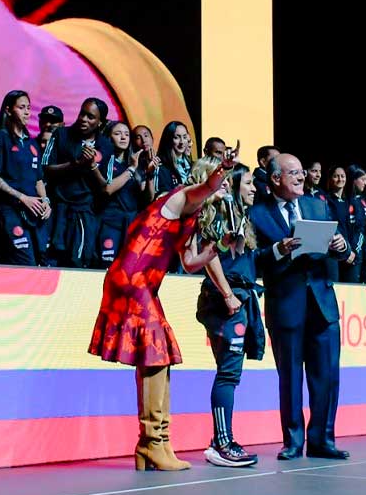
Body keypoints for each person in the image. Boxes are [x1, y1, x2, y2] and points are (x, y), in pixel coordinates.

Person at [88, 143, 240, 471]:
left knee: (159, 356)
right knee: (156, 352)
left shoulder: (190, 216)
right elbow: (209, 186)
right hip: (132, 280)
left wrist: (219, 246)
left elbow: (189, 262)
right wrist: (223, 170)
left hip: (143, 285)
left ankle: (153, 445)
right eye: (221, 180)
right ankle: (153, 442)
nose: (225, 186)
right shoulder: (180, 197)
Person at [248, 153, 349, 461]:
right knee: (290, 376)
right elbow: (252, 260)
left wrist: (342, 248)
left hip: (321, 302)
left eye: (302, 172)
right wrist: (278, 250)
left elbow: (342, 250)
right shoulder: (257, 215)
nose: (301, 177)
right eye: (293, 173)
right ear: (276, 178)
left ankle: (323, 439)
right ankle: (293, 440)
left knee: (327, 375)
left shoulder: (318, 206)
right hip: (286, 304)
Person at [194, 161, 264, 467]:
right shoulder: (220, 213)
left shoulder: (242, 218)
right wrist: (228, 295)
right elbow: (211, 258)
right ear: (232, 185)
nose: (253, 188)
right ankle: (222, 444)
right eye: (247, 182)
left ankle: (220, 440)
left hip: (240, 298)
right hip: (225, 302)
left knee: (229, 373)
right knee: (228, 374)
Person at [41, 97, 111, 268]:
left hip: (84, 211)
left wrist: (92, 166)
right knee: (52, 258)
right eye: (82, 114)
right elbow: (46, 168)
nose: (84, 119)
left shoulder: (106, 145)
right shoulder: (61, 134)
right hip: (58, 207)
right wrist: (76, 164)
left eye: (90, 117)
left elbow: (105, 186)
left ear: (100, 122)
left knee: (78, 261)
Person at [0, 90, 51, 265]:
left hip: (34, 213)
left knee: (42, 261)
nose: (27, 112)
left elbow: (38, 180)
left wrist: (45, 201)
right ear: (8, 110)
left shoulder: (32, 143)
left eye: (29, 108)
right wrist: (22, 198)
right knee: (25, 260)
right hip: (9, 211)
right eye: (21, 107)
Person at [95, 121, 144, 266]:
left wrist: (149, 174)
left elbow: (146, 197)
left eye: (127, 134)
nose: (123, 138)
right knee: (107, 267)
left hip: (130, 225)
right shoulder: (106, 161)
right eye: (118, 134)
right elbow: (108, 189)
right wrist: (131, 170)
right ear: (108, 137)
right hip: (110, 223)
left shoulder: (134, 163)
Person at [326, 166, 359, 282]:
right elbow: (330, 227)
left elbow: (358, 229)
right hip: (333, 254)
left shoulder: (351, 201)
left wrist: (353, 250)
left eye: (342, 176)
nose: (340, 179)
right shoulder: (326, 201)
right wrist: (342, 248)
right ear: (330, 179)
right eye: (336, 176)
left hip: (352, 255)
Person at [155, 121, 192, 196]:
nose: (182, 142)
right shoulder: (161, 167)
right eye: (176, 137)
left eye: (184, 137)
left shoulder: (191, 165)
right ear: (168, 139)